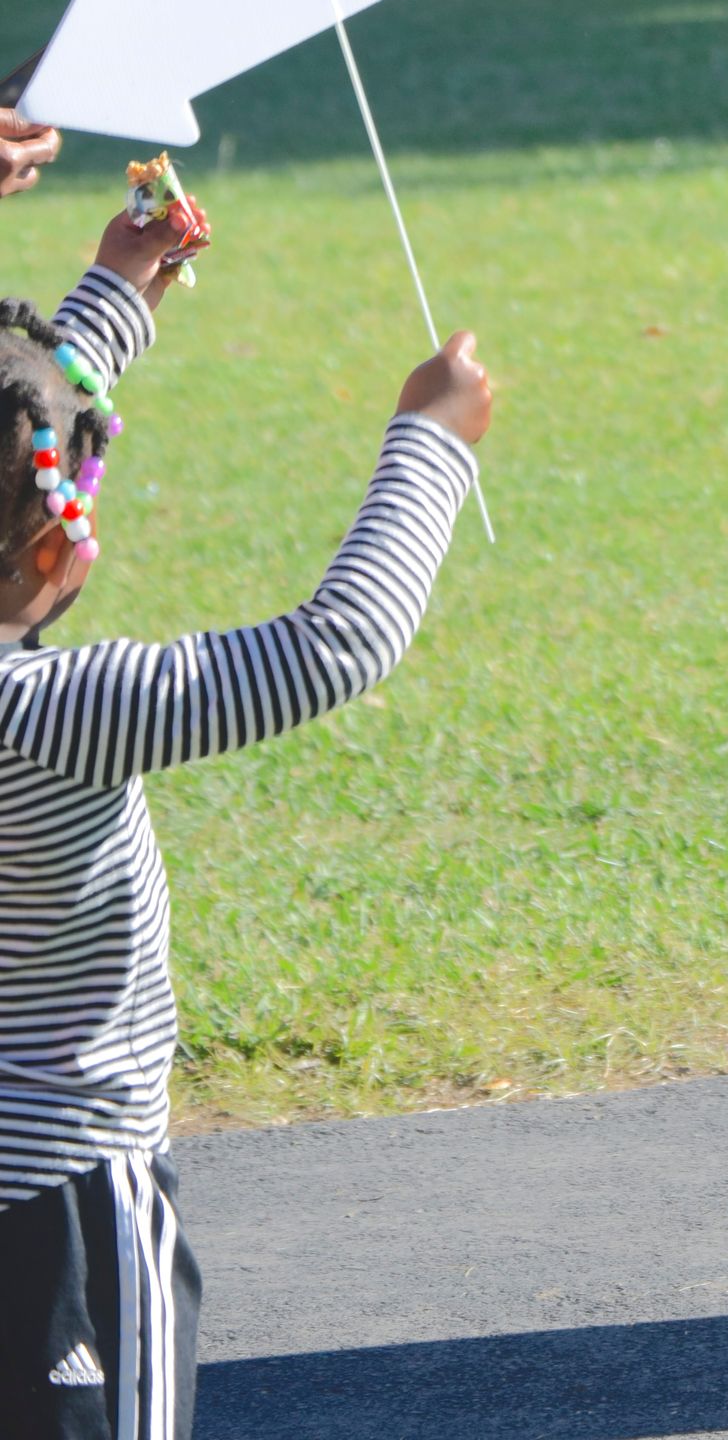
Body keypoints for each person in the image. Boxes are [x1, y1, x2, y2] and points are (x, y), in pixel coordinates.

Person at [0, 207, 491, 1438]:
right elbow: (333, 647)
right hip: (68, 1203)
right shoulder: (54, 717)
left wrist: (115, 289)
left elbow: (35, 434)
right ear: (65, 541)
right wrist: (428, 443)